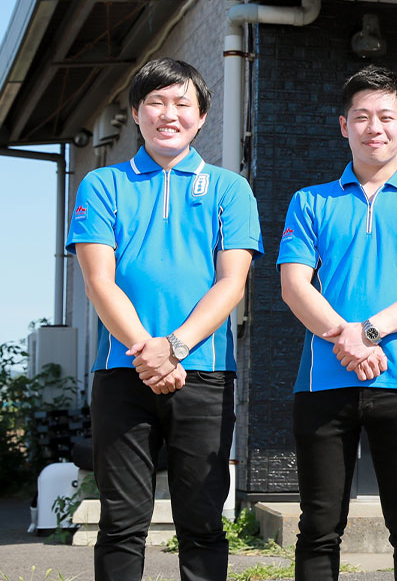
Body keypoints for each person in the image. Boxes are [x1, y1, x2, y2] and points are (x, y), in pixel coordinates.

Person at [68, 57, 262, 581]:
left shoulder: (230, 189)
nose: (168, 114)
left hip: (205, 373)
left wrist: (174, 346)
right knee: (120, 523)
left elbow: (232, 282)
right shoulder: (102, 184)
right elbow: (99, 281)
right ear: (136, 113)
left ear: (202, 117)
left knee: (202, 522)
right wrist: (148, 351)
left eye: (182, 103)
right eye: (155, 102)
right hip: (122, 371)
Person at [277, 65, 397, 581]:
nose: (373, 127)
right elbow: (294, 286)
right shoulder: (310, 201)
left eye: (385, 116)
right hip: (323, 382)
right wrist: (348, 337)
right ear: (344, 126)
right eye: (361, 117)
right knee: (318, 527)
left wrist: (369, 332)